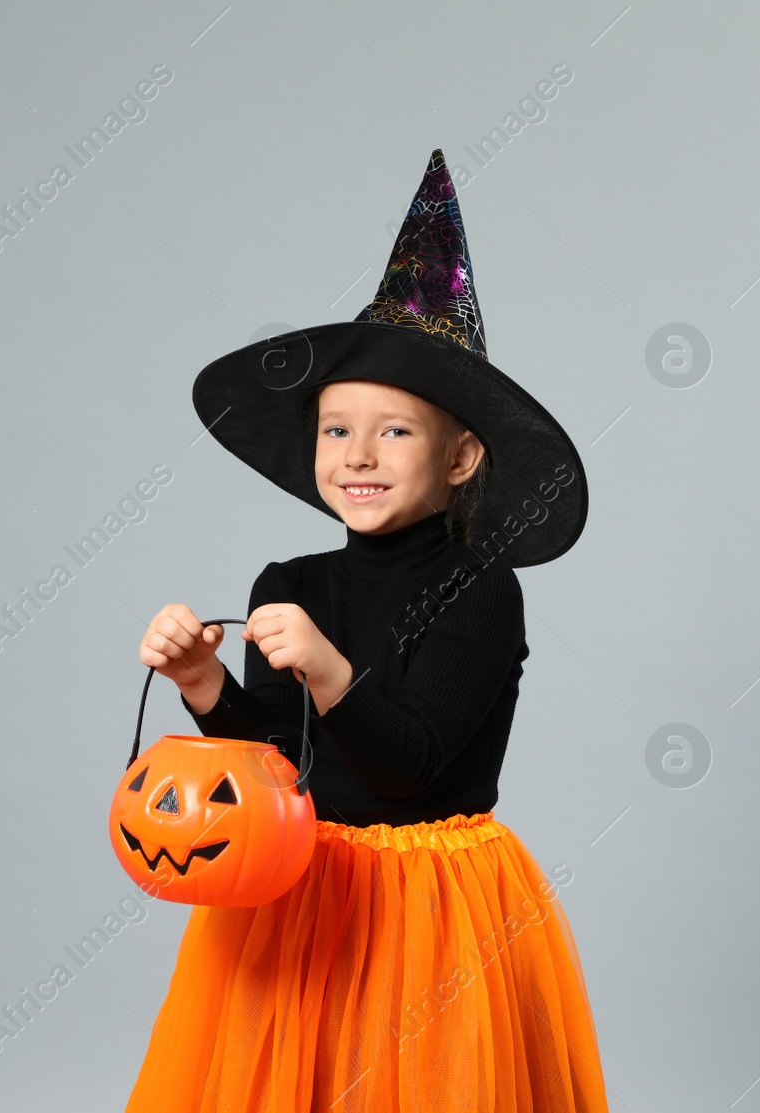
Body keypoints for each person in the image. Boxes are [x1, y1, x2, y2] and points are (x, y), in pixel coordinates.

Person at [127, 150, 607, 1111]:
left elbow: (409, 764)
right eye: (336, 429)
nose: (357, 454)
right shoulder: (291, 584)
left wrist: (334, 673)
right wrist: (203, 687)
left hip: (424, 909)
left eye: (394, 431)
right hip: (297, 891)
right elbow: (272, 763)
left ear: (461, 455)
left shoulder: (480, 589)